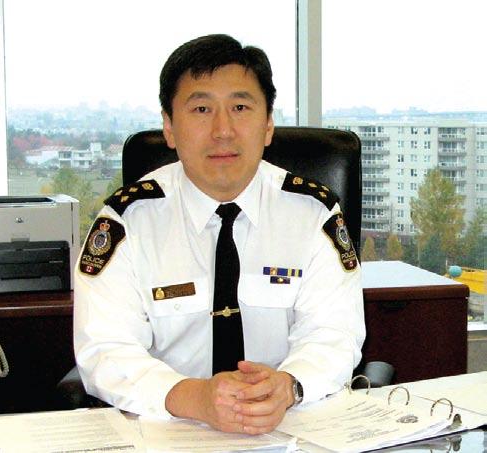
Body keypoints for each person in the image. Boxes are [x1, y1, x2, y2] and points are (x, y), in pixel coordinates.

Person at [74, 34, 365, 435]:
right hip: (169, 428)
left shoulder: (313, 214)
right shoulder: (128, 222)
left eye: (240, 107)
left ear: (268, 125)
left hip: (288, 427)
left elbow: (334, 334)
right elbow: (103, 348)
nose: (223, 130)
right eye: (201, 109)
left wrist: (288, 385)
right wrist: (193, 397)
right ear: (169, 127)